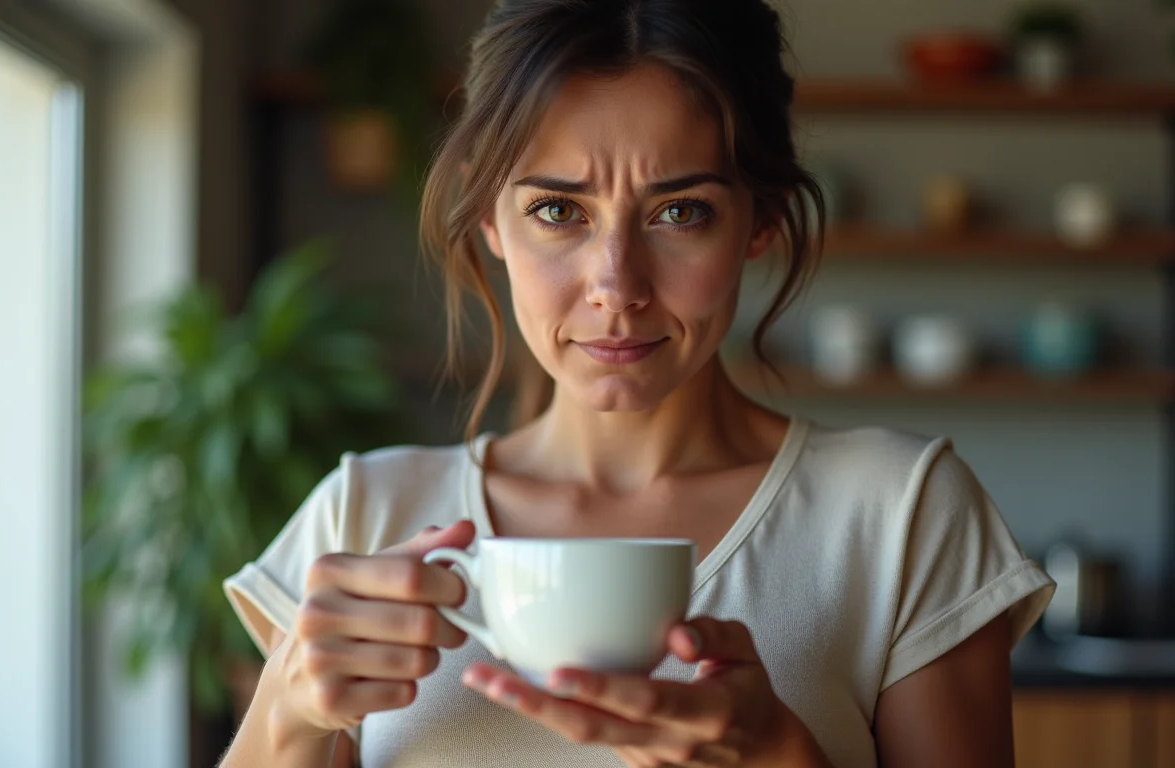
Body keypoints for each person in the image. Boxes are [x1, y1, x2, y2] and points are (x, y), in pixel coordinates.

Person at [220, 1, 1055, 766]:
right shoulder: (361, 517)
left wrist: (780, 758)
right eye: (557, 210)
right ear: (489, 217)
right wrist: (288, 717)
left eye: (679, 211)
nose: (616, 285)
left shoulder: (901, 517)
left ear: (759, 221)